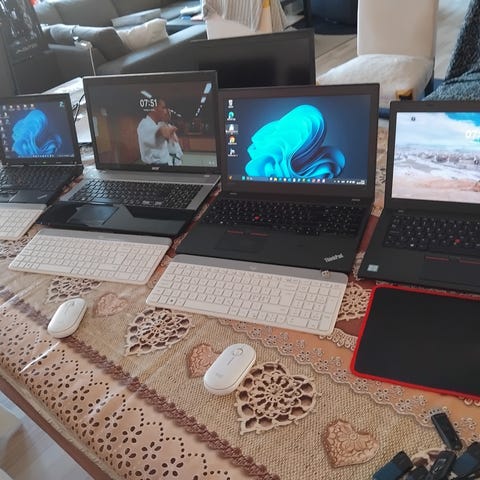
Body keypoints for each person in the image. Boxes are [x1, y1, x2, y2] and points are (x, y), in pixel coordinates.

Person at [137, 99, 183, 165]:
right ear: (155, 108)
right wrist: (160, 131)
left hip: (166, 164)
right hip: (154, 167)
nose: (165, 111)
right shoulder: (144, 124)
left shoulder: (158, 124)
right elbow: (153, 132)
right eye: (163, 108)